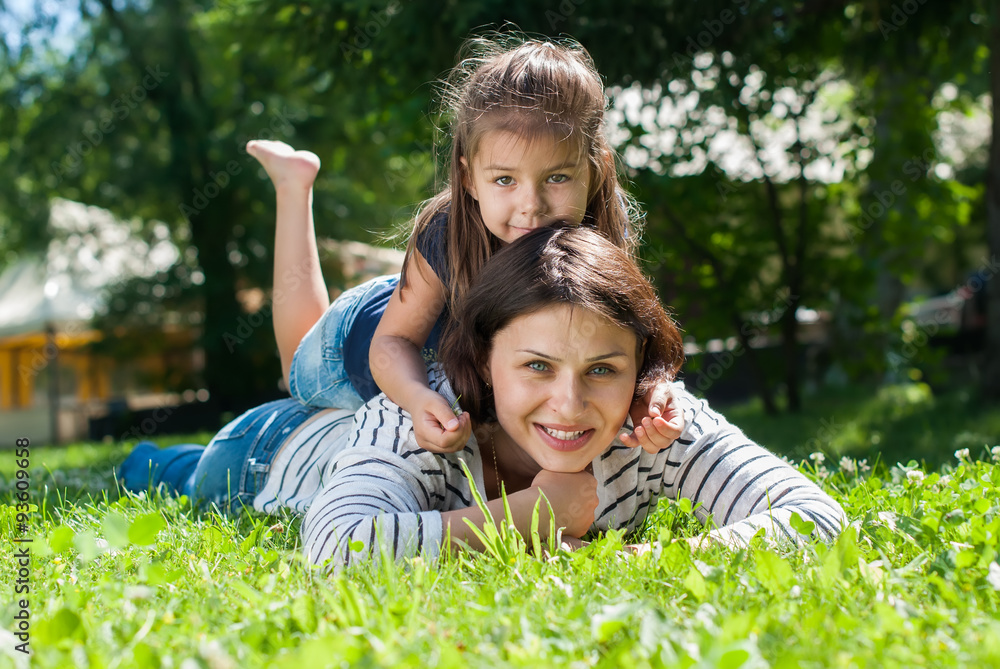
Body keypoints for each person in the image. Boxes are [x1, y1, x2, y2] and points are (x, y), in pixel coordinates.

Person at [119, 225, 846, 570]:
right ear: (479, 360)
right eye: (535, 365)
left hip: (336, 448)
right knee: (169, 473)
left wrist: (644, 563)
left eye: (602, 369)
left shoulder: (652, 421)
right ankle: (146, 455)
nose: (569, 405)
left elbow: (817, 518)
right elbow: (338, 549)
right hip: (266, 455)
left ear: (640, 366)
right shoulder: (424, 416)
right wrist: (524, 519)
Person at [246, 35, 682, 455]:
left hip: (431, 308)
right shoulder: (446, 230)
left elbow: (628, 338)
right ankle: (293, 184)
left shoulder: (605, 224)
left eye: (557, 177)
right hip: (365, 337)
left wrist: (653, 391)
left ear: (596, 167)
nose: (531, 206)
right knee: (293, 373)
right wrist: (417, 398)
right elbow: (393, 342)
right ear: (470, 177)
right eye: (505, 180)